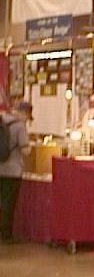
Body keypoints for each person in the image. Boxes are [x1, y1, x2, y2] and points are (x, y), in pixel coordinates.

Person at [0, 101, 32, 244]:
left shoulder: (2, 120)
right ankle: (6, 235)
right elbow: (25, 150)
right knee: (9, 204)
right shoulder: (19, 126)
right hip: (13, 170)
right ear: (24, 113)